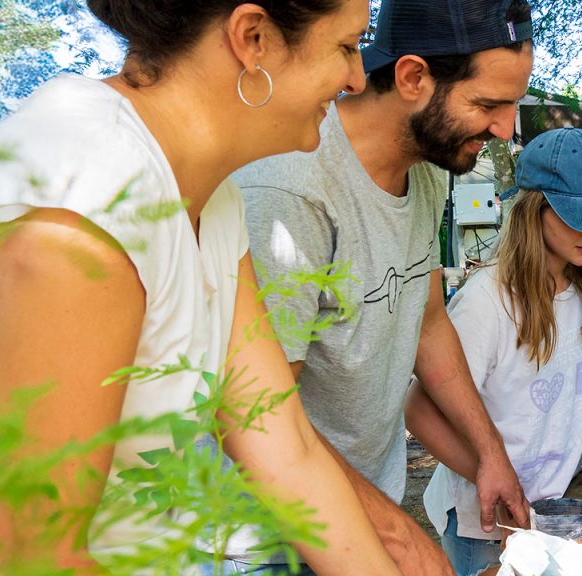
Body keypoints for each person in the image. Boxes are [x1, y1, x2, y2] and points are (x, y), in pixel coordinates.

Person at [0, 0, 400, 573]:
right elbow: (29, 554)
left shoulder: (211, 197)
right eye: (346, 47)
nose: (356, 79)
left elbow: (287, 450)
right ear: (253, 39)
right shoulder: (88, 199)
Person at [227, 0, 536, 571]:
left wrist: (489, 453)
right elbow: (262, 415)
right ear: (413, 77)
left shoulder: (427, 169)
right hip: (266, 538)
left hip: (360, 503)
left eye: (513, 103)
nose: (504, 129)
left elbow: (428, 322)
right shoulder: (290, 189)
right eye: (488, 104)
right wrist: (398, 537)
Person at [416, 127, 582, 576]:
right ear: (534, 208)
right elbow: (418, 410)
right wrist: (493, 478)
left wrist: (573, 432)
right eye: (576, 215)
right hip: (486, 526)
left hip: (547, 513)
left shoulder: (579, 291)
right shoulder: (488, 301)